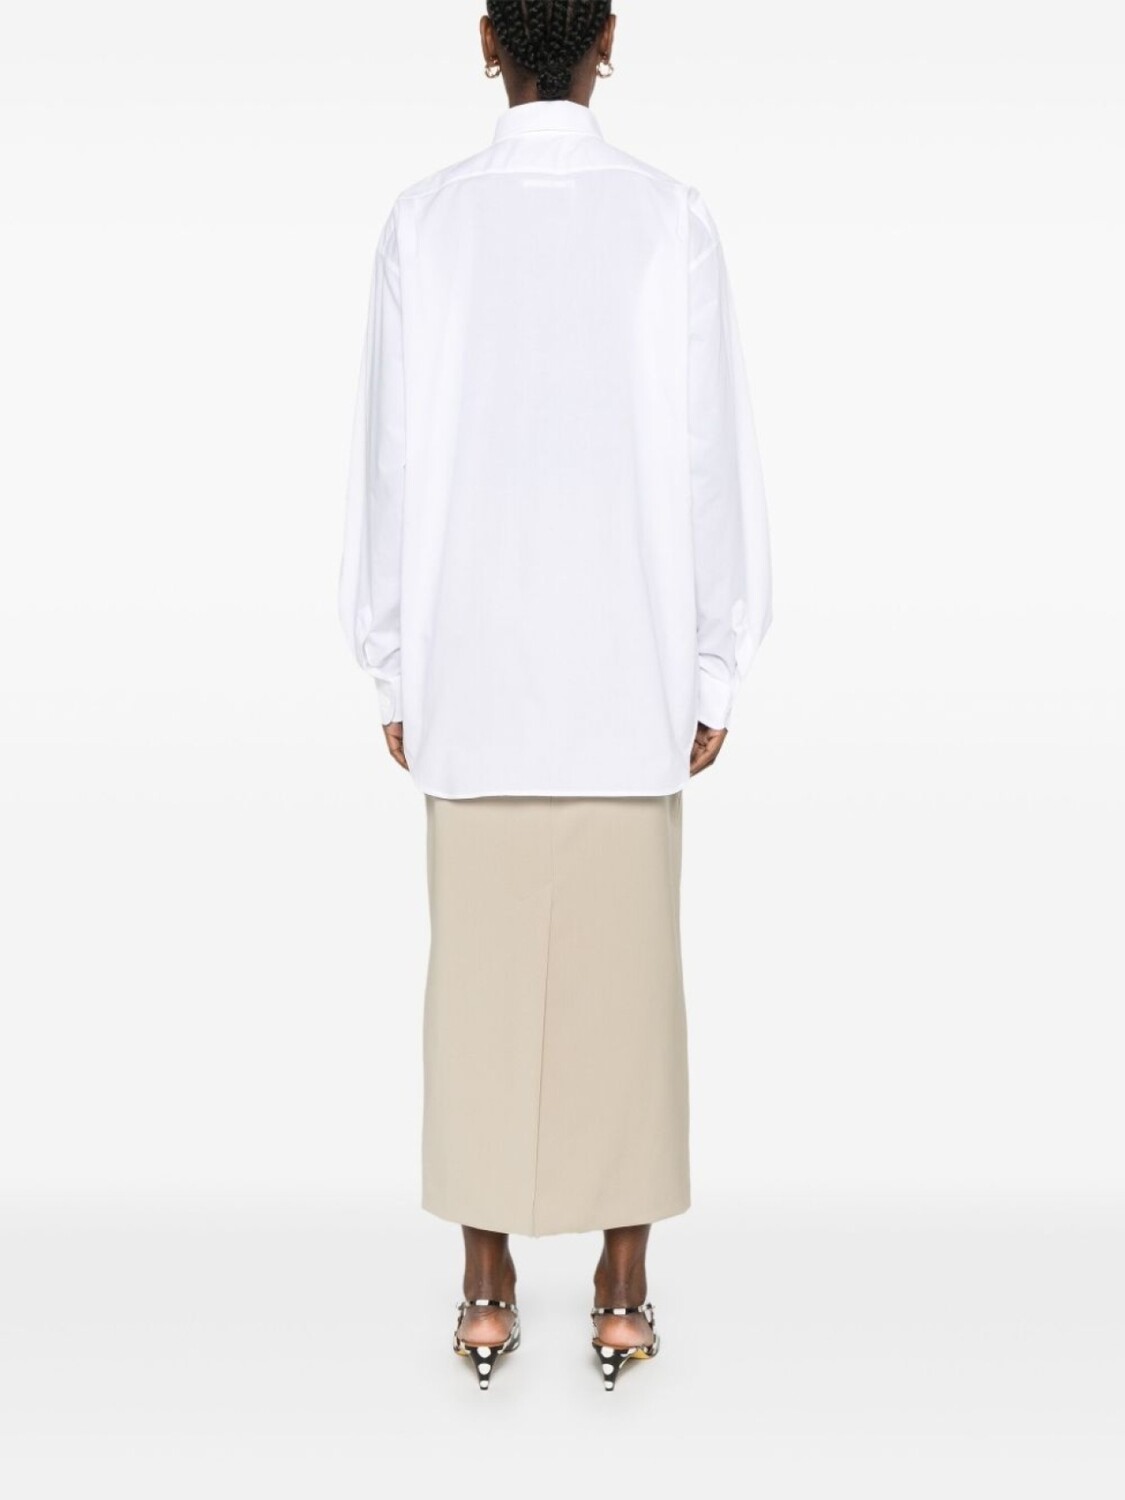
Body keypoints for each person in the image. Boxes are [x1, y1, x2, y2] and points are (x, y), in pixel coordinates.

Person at [338, 1, 771, 1392]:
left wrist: (391, 654)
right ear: (606, 41)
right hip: (626, 663)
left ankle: (485, 1282)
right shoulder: (667, 219)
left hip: (470, 668)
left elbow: (389, 460)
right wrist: (715, 656)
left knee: (474, 991)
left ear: (486, 43)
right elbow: (710, 455)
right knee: (629, 995)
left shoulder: (424, 224)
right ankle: (621, 1285)